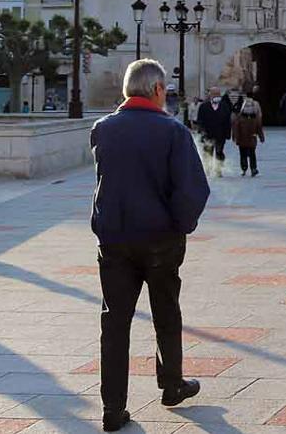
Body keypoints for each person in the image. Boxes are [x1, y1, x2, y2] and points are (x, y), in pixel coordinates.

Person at [90, 59, 209, 432]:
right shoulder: (172, 132)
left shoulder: (102, 130)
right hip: (160, 241)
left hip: (114, 240)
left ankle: (113, 408)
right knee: (166, 314)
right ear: (158, 90)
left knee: (114, 322)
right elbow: (193, 189)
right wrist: (180, 226)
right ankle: (171, 384)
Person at [195, 88, 232, 162]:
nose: (216, 96)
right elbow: (200, 121)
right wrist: (202, 133)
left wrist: (228, 134)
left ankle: (218, 170)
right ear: (210, 95)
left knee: (219, 153)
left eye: (218, 94)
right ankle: (208, 171)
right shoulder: (203, 107)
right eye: (214, 94)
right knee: (208, 154)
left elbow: (228, 121)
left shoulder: (225, 106)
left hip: (220, 135)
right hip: (208, 135)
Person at [232, 98, 265, 177]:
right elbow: (259, 128)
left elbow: (236, 128)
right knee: (251, 154)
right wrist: (261, 137)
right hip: (249, 139)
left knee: (245, 154)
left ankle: (246, 168)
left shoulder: (240, 117)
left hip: (244, 139)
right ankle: (251, 168)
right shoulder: (254, 118)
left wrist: (235, 137)